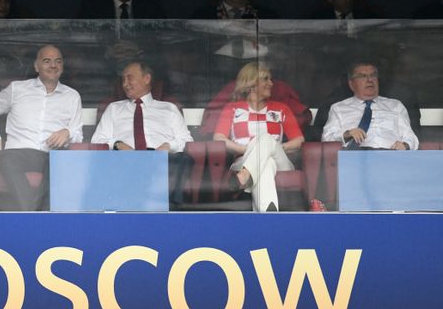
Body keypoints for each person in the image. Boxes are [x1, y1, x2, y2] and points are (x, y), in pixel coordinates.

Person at [0, 45, 82, 210]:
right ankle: (37, 214)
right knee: (4, 158)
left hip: (50, 155)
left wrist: (67, 132)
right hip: (17, 153)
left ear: (62, 66)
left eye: (58, 61)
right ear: (36, 66)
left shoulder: (72, 96)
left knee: (61, 161)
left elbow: (78, 135)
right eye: (47, 61)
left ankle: (31, 215)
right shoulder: (17, 89)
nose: (53, 65)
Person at [92, 61, 193, 206]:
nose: (125, 84)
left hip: (161, 161)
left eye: (129, 78)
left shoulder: (169, 108)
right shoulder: (114, 109)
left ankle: (173, 212)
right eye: (123, 80)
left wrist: (167, 146)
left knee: (183, 159)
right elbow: (98, 140)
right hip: (125, 160)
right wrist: (118, 145)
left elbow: (186, 140)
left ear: (146, 79)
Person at [213, 62, 304, 212]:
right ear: (251, 84)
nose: (271, 83)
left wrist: (273, 147)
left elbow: (299, 141)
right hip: (243, 160)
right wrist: (249, 148)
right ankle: (267, 216)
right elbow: (219, 138)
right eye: (266, 79)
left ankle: (245, 175)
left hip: (280, 160)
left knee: (266, 139)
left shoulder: (281, 108)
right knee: (266, 164)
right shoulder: (233, 108)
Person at [322, 61, 418, 150]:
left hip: (390, 157)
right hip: (354, 158)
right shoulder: (338, 108)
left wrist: (405, 145)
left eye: (373, 75)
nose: (369, 80)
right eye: (362, 76)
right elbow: (326, 138)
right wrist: (347, 134)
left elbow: (411, 137)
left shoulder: (396, 106)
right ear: (351, 84)